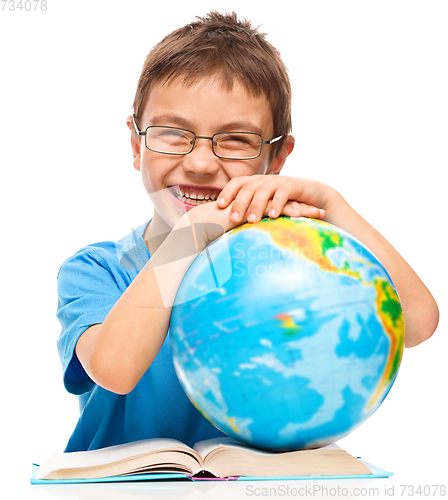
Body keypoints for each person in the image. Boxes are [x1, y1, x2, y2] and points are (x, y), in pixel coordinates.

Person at [56, 12, 439, 453]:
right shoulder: (96, 269)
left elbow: (418, 322)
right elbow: (115, 370)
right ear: (135, 144)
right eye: (173, 133)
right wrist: (189, 237)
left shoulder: (301, 256)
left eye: (236, 140)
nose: (200, 163)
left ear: (276, 160)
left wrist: (332, 204)